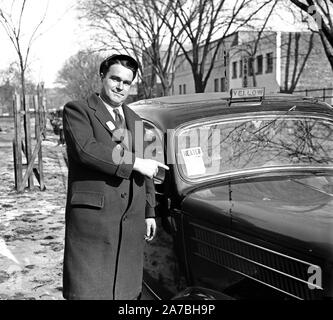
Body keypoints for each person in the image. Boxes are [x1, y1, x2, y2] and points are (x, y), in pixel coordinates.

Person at [62, 54, 168, 300]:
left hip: (130, 221)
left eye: (127, 82)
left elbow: (149, 169)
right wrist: (136, 162)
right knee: (90, 291)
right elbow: (87, 150)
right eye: (115, 79)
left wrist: (149, 211)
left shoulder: (137, 120)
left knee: (126, 293)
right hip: (94, 223)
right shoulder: (78, 110)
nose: (120, 87)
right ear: (102, 76)